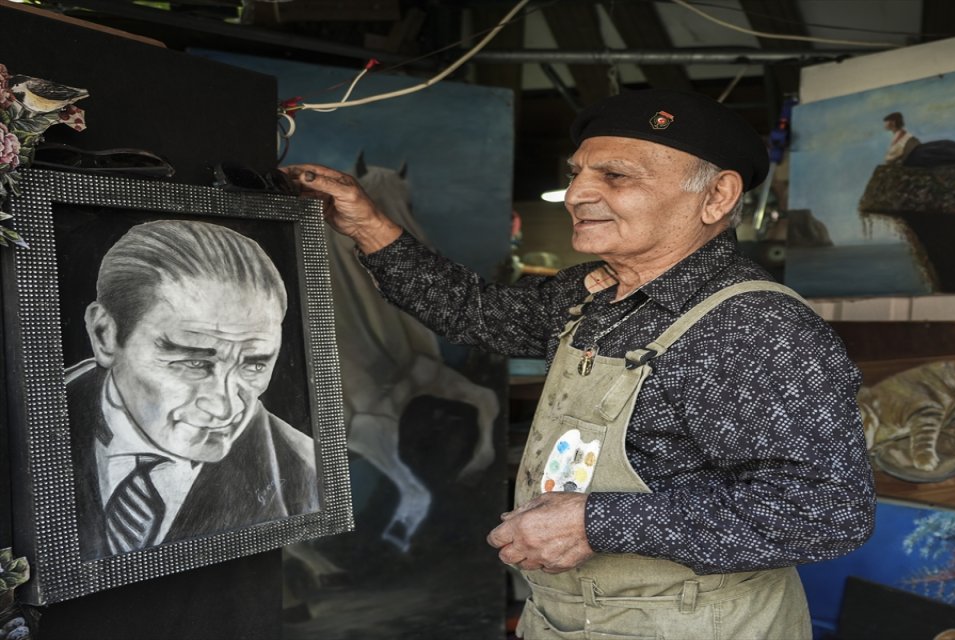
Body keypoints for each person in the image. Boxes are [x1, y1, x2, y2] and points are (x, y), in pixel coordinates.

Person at [287, 89, 875, 639]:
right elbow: (477, 314)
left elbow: (826, 509)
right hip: (572, 616)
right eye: (577, 175)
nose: (576, 194)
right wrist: (366, 222)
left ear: (716, 197)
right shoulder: (594, 292)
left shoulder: (753, 328)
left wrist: (595, 523)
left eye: (614, 176)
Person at [66, 220, 319, 560]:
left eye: (254, 365)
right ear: (104, 335)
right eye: (193, 363)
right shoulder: (25, 427)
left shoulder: (308, 474)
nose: (225, 408)